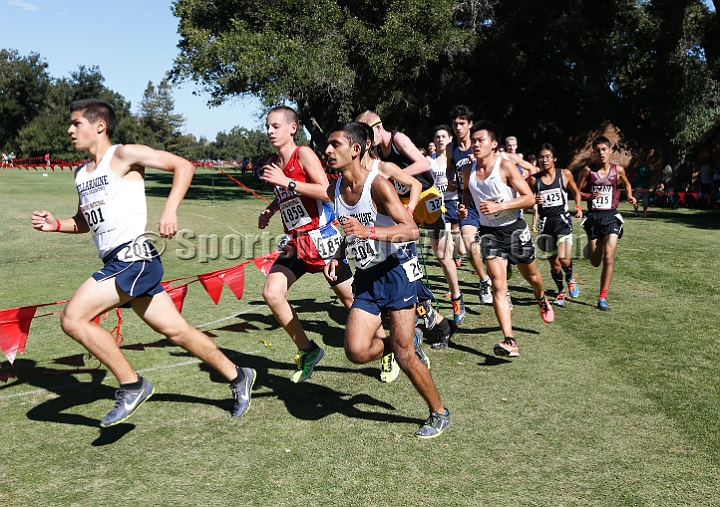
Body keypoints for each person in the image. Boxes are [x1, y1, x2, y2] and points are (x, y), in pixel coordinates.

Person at [30, 99, 255, 427]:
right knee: (177, 331)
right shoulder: (81, 174)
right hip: (117, 261)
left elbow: (184, 166)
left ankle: (132, 384)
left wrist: (169, 209)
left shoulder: (123, 155)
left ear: (99, 126)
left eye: (76, 123)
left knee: (73, 318)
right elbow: (84, 221)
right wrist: (57, 224)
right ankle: (238, 375)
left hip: (134, 257)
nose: (70, 129)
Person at [324, 122, 450, 438]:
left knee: (405, 354)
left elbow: (411, 230)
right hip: (366, 276)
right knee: (355, 350)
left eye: (335, 145)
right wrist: (339, 253)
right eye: (327, 145)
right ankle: (402, 344)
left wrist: (369, 232)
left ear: (356, 149)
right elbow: (350, 230)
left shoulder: (378, 185)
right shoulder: (335, 189)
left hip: (396, 271)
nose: (328, 150)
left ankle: (439, 413)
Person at [258, 106, 354, 383]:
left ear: (292, 128)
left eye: (276, 126)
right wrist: (271, 209)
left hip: (321, 238)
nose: (270, 131)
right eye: (268, 126)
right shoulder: (277, 164)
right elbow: (286, 193)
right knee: (272, 293)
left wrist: (286, 182)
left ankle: (388, 348)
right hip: (296, 242)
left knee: (351, 301)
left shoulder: (303, 154)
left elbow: (327, 191)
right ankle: (308, 349)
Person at [356, 110, 466, 326]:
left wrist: (395, 173)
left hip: (426, 196)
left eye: (368, 135)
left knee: (442, 254)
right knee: (404, 251)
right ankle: (416, 302)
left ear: (378, 128)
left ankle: (456, 297)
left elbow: (424, 164)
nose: (367, 141)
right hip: (405, 202)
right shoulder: (377, 149)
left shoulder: (398, 139)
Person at [458, 120, 554, 358]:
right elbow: (469, 191)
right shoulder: (467, 170)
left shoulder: (506, 167)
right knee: (499, 285)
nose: (476, 144)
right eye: (474, 141)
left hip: (514, 229)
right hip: (490, 233)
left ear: (493, 143)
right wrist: (464, 207)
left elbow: (529, 198)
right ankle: (510, 340)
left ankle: (541, 297)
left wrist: (500, 205)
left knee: (531, 276)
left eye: (481, 140)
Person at [576, 136, 637, 311]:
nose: (601, 153)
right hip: (594, 217)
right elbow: (576, 191)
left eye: (604, 149)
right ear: (594, 153)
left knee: (608, 257)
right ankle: (593, 245)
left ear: (610, 151)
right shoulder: (588, 171)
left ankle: (602, 298)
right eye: (597, 150)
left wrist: (631, 196)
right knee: (595, 262)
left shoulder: (618, 170)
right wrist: (588, 196)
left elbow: (627, 184)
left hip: (611, 216)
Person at [447, 105, 494, 309]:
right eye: (455, 124)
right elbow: (451, 169)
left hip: (488, 201)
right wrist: (452, 180)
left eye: (462, 123)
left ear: (470, 124)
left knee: (496, 251)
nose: (458, 127)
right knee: (467, 244)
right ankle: (484, 281)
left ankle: (499, 272)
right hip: (467, 203)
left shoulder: (480, 144)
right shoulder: (451, 148)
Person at [528, 144, 583, 307]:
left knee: (564, 258)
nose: (544, 160)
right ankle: (561, 291)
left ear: (554, 158)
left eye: (547, 157)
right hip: (545, 225)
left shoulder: (564, 174)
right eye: (541, 157)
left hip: (562, 221)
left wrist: (578, 207)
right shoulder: (534, 179)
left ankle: (571, 278)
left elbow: (576, 192)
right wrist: (533, 201)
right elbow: (526, 200)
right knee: (555, 264)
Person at [428, 125, 466, 270]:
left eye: (444, 136)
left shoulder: (456, 159)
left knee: (462, 250)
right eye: (438, 137)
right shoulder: (429, 160)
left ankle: (461, 251)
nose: (440, 139)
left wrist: (457, 184)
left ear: (450, 139)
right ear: (434, 140)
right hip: (438, 204)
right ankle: (452, 285)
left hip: (454, 202)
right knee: (447, 247)